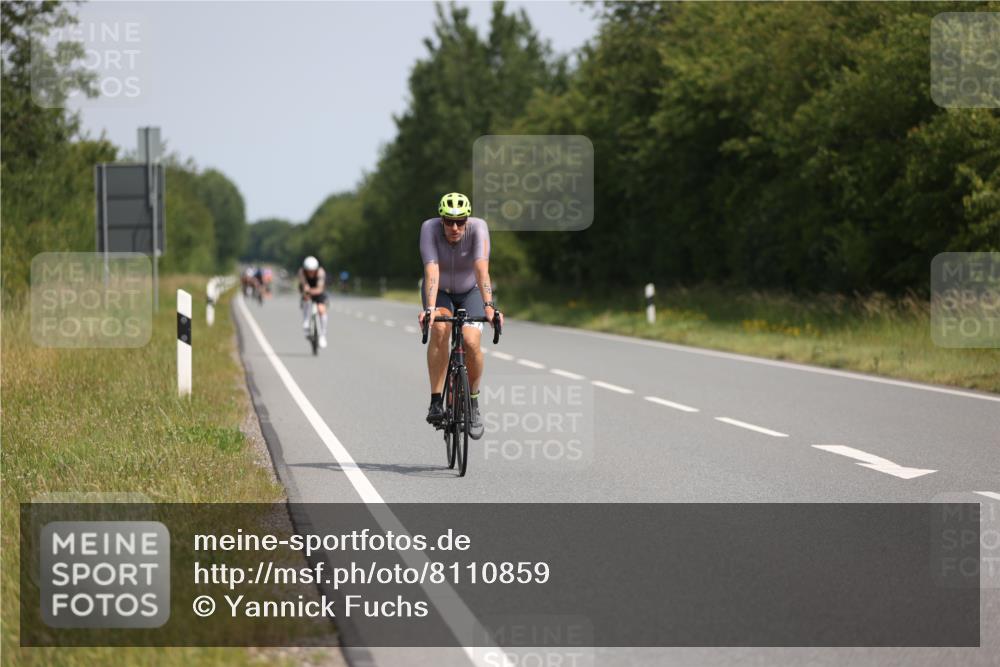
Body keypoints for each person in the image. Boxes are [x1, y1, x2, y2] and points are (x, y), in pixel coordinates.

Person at [417, 192, 502, 439]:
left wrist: (489, 305)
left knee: (471, 341)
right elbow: (431, 270)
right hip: (440, 292)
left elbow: (481, 269)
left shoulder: (479, 229)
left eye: (461, 221)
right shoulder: (429, 229)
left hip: (471, 291)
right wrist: (430, 309)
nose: (455, 228)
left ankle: (473, 403)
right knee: (441, 329)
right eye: (449, 221)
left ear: (468, 219)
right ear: (441, 219)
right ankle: (435, 401)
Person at [297, 256, 328, 348]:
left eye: (312, 270)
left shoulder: (321, 272)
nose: (311, 272)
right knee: (306, 298)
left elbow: (320, 288)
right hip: (306, 289)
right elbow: (304, 285)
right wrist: (306, 290)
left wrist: (310, 290)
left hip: (318, 290)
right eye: (308, 270)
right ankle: (306, 321)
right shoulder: (301, 272)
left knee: (321, 309)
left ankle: (322, 334)